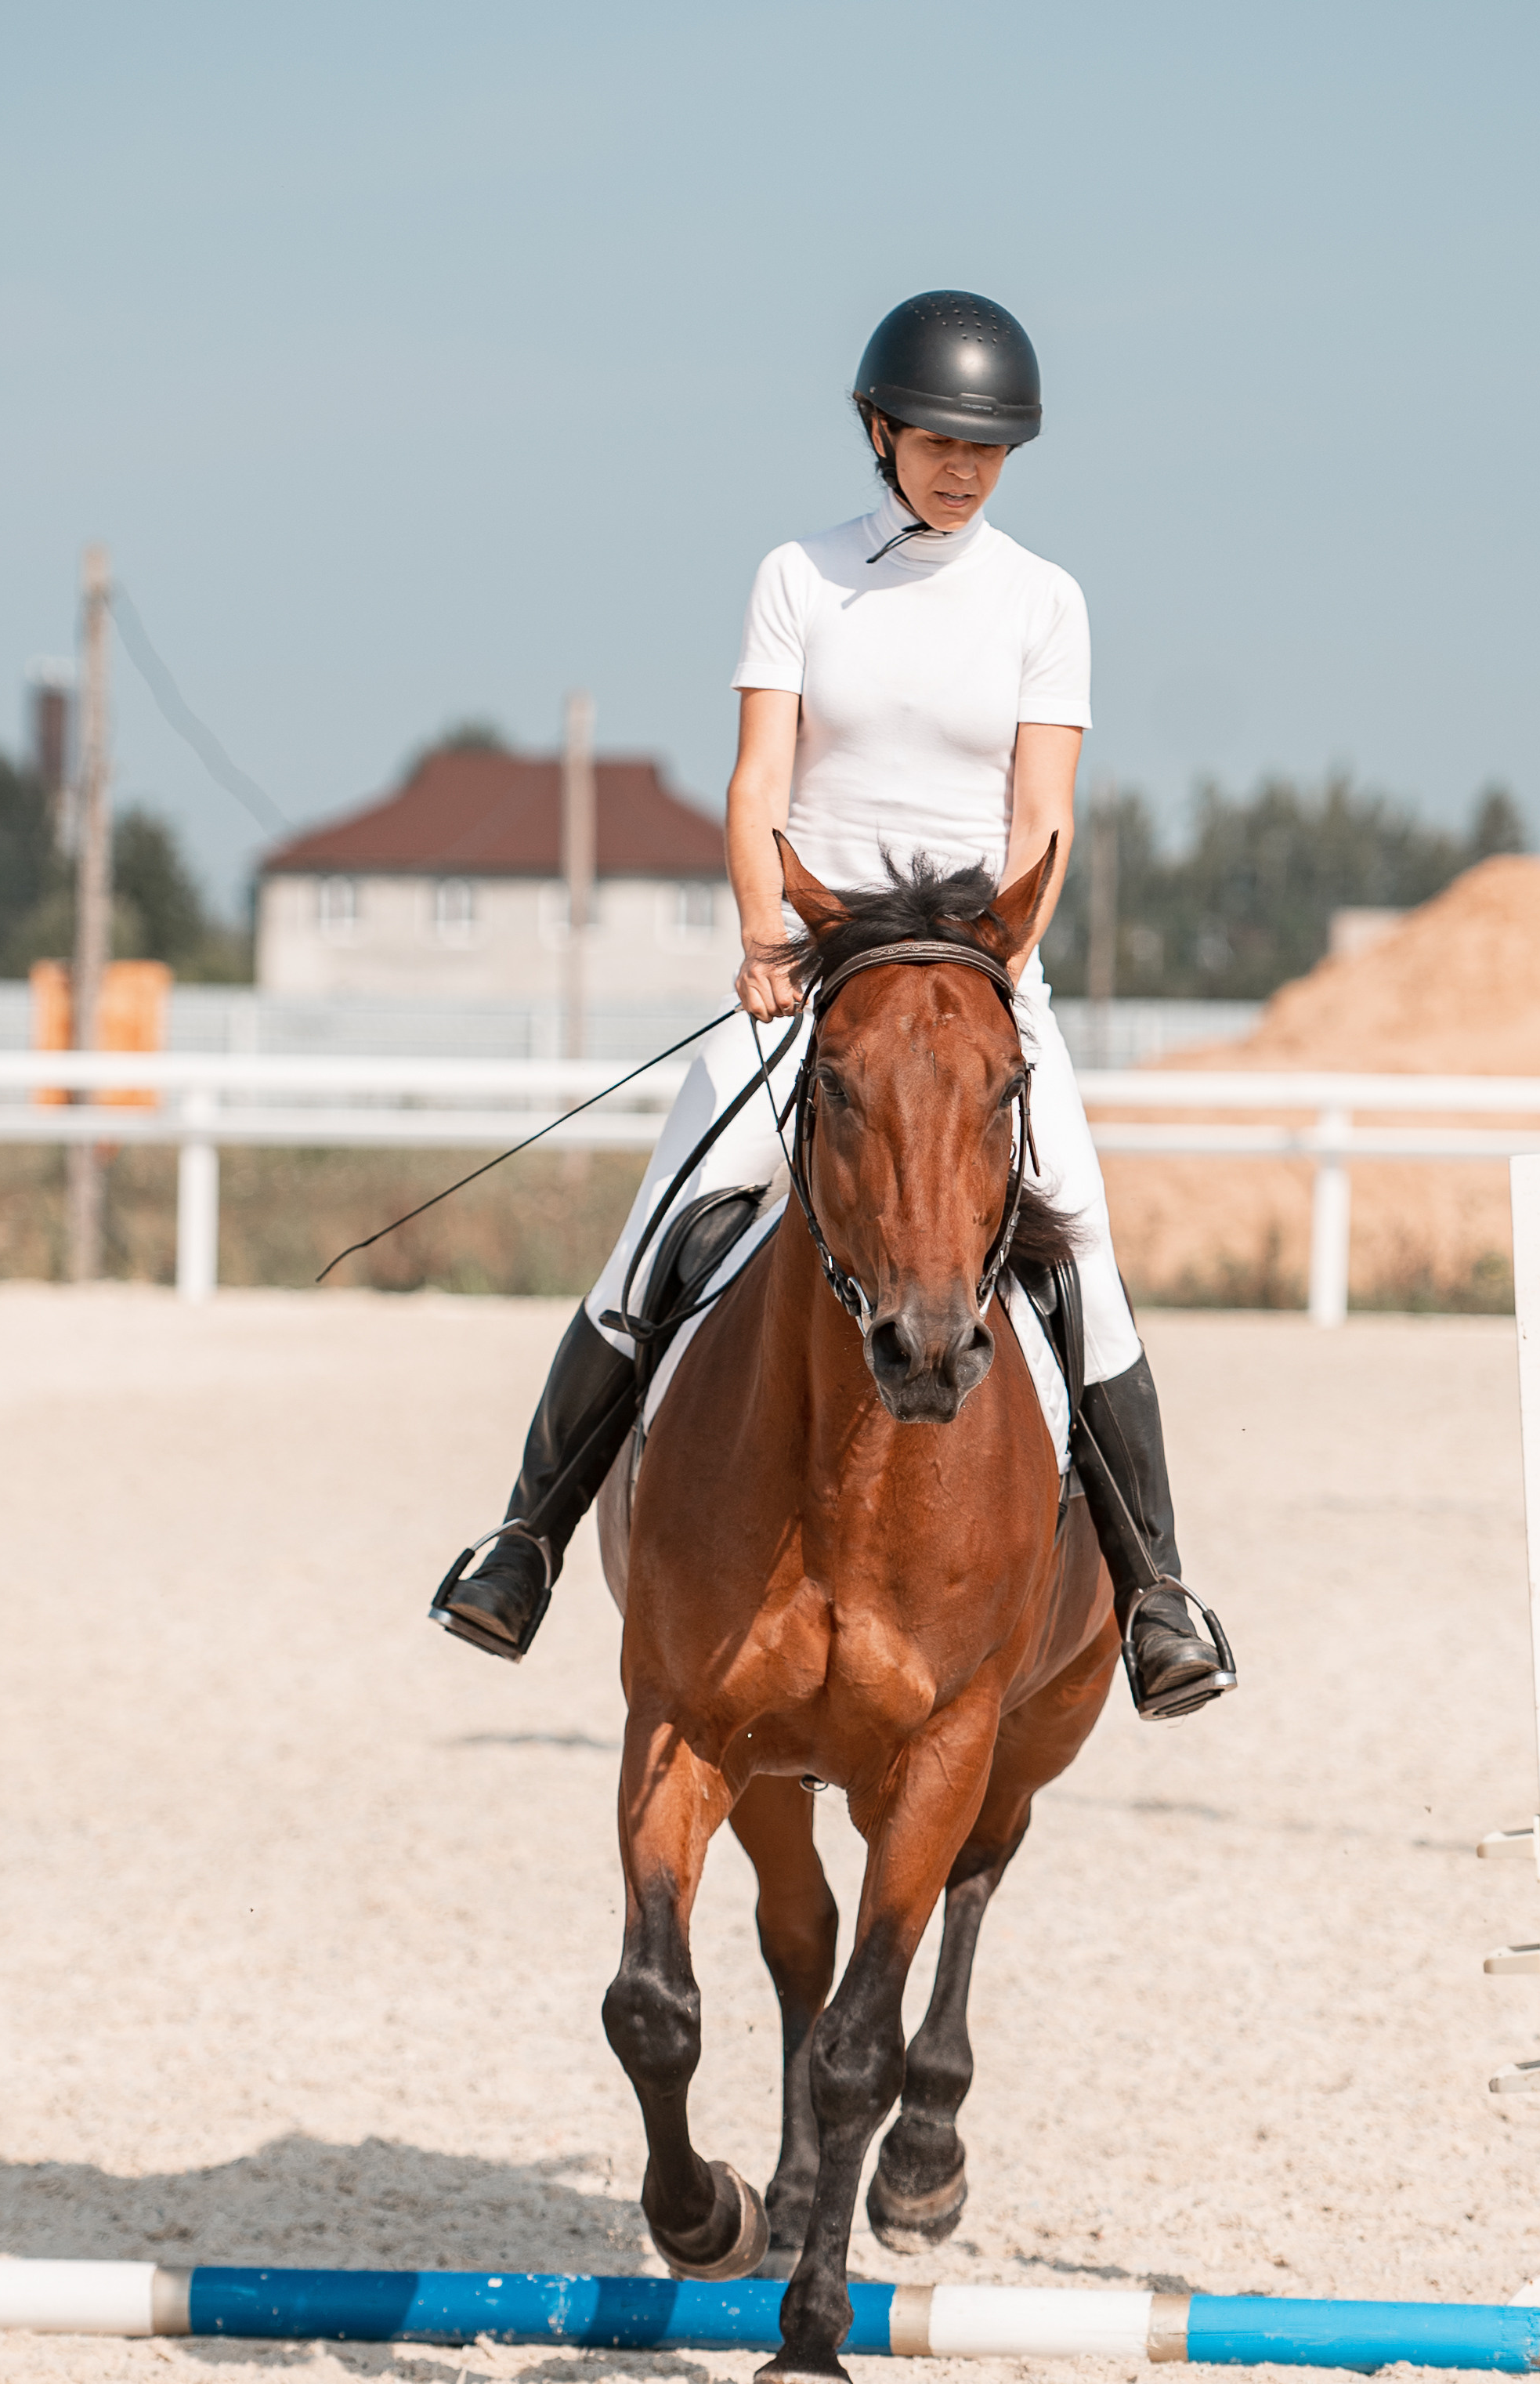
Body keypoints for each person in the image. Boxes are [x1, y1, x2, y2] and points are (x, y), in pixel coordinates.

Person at [432, 290, 1234, 1720]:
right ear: (880, 433)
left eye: (989, 450)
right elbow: (757, 785)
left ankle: (1157, 1595)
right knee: (662, 1231)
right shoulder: (800, 578)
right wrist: (759, 926)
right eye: (939, 441)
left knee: (1084, 1251)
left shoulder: (1044, 601)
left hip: (979, 983)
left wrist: (989, 967)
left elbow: (1043, 815)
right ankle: (524, 1542)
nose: (964, 470)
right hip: (810, 973)